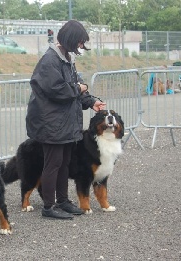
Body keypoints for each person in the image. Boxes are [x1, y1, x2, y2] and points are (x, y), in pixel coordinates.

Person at [26, 20, 106, 220]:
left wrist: (91, 101)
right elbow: (57, 91)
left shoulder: (66, 58)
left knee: (64, 163)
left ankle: (63, 201)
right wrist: (80, 89)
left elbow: (76, 87)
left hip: (64, 123)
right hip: (51, 123)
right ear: (71, 39)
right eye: (80, 41)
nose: (81, 46)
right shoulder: (50, 60)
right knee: (53, 164)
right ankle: (48, 206)